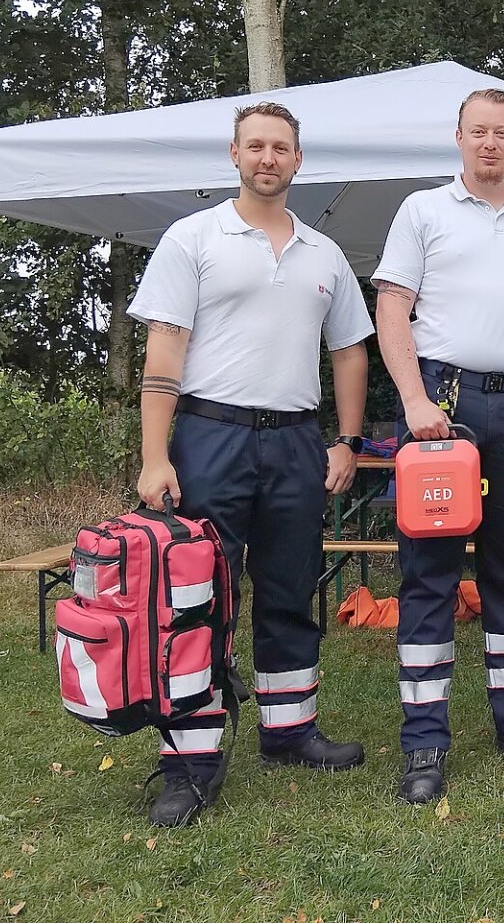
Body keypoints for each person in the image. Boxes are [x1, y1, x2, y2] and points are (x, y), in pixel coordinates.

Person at [129, 101, 375, 827]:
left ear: (299, 161)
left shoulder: (323, 254)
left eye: (282, 148)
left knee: (292, 587)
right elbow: (164, 355)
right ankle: (190, 761)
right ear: (234, 155)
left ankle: (289, 731)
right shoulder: (193, 237)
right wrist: (154, 457)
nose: (269, 158)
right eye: (256, 146)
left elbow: (350, 350)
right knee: (197, 597)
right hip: (211, 434)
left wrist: (350, 440)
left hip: (297, 440)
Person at [373, 87, 504, 804]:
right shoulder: (422, 210)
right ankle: (425, 740)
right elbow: (392, 307)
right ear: (458, 138)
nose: (489, 143)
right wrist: (412, 400)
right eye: (477, 132)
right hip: (446, 404)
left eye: (502, 132)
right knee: (429, 573)